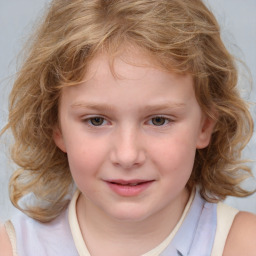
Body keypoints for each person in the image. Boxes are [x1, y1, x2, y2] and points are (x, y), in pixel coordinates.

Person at [0, 0, 256, 255]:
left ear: (205, 126)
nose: (127, 155)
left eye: (158, 120)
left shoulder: (244, 244)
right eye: (96, 120)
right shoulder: (13, 248)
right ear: (56, 127)